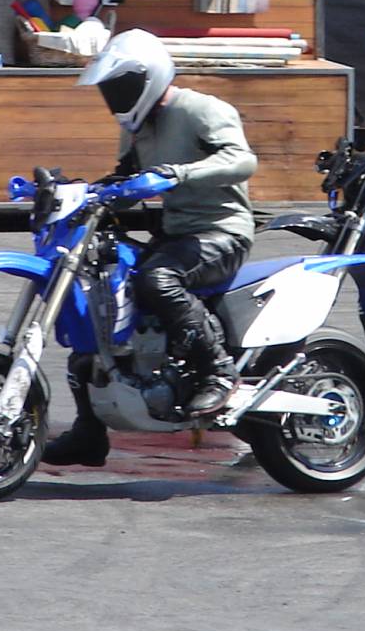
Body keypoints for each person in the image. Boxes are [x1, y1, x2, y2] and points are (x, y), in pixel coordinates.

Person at [41, 29, 258, 468]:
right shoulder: (136, 130)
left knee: (157, 279)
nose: (115, 98)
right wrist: (80, 193)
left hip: (221, 233)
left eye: (121, 86)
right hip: (175, 237)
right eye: (109, 90)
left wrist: (179, 174)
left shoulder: (199, 109)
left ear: (149, 78)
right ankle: (89, 432)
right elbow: (123, 180)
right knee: (101, 296)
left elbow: (241, 160)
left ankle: (218, 369)